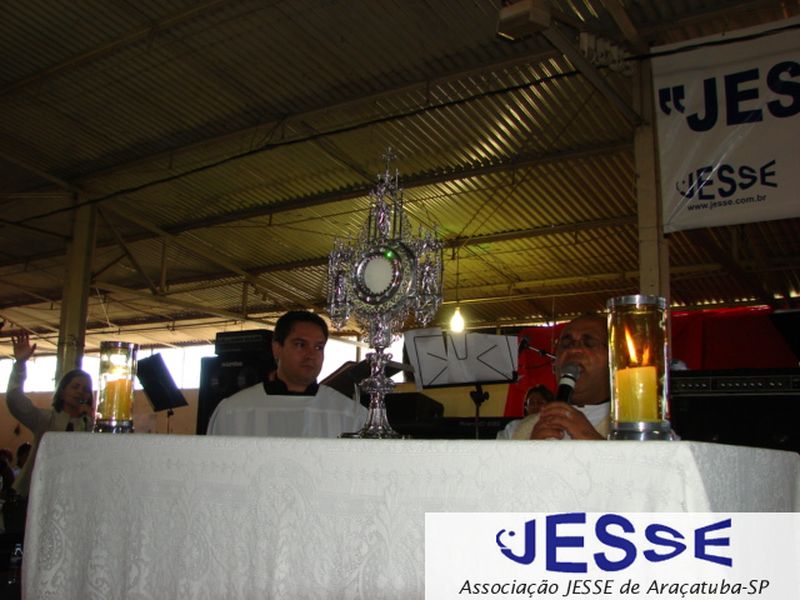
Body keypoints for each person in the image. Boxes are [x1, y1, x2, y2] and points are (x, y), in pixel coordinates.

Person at [207, 311, 367, 437]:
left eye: (318, 347)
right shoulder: (234, 411)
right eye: (300, 344)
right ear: (277, 349)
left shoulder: (351, 414)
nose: (311, 355)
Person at [5, 331, 94, 497]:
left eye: (86, 389)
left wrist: (90, 422)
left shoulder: (90, 426)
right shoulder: (45, 419)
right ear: (62, 391)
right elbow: (15, 400)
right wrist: (20, 364)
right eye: (75, 387)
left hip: (73, 495)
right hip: (37, 492)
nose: (80, 392)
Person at [512, 314, 610, 440]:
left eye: (589, 343)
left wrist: (593, 441)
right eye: (566, 344)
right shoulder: (515, 431)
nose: (573, 350)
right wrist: (530, 449)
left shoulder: (631, 427)